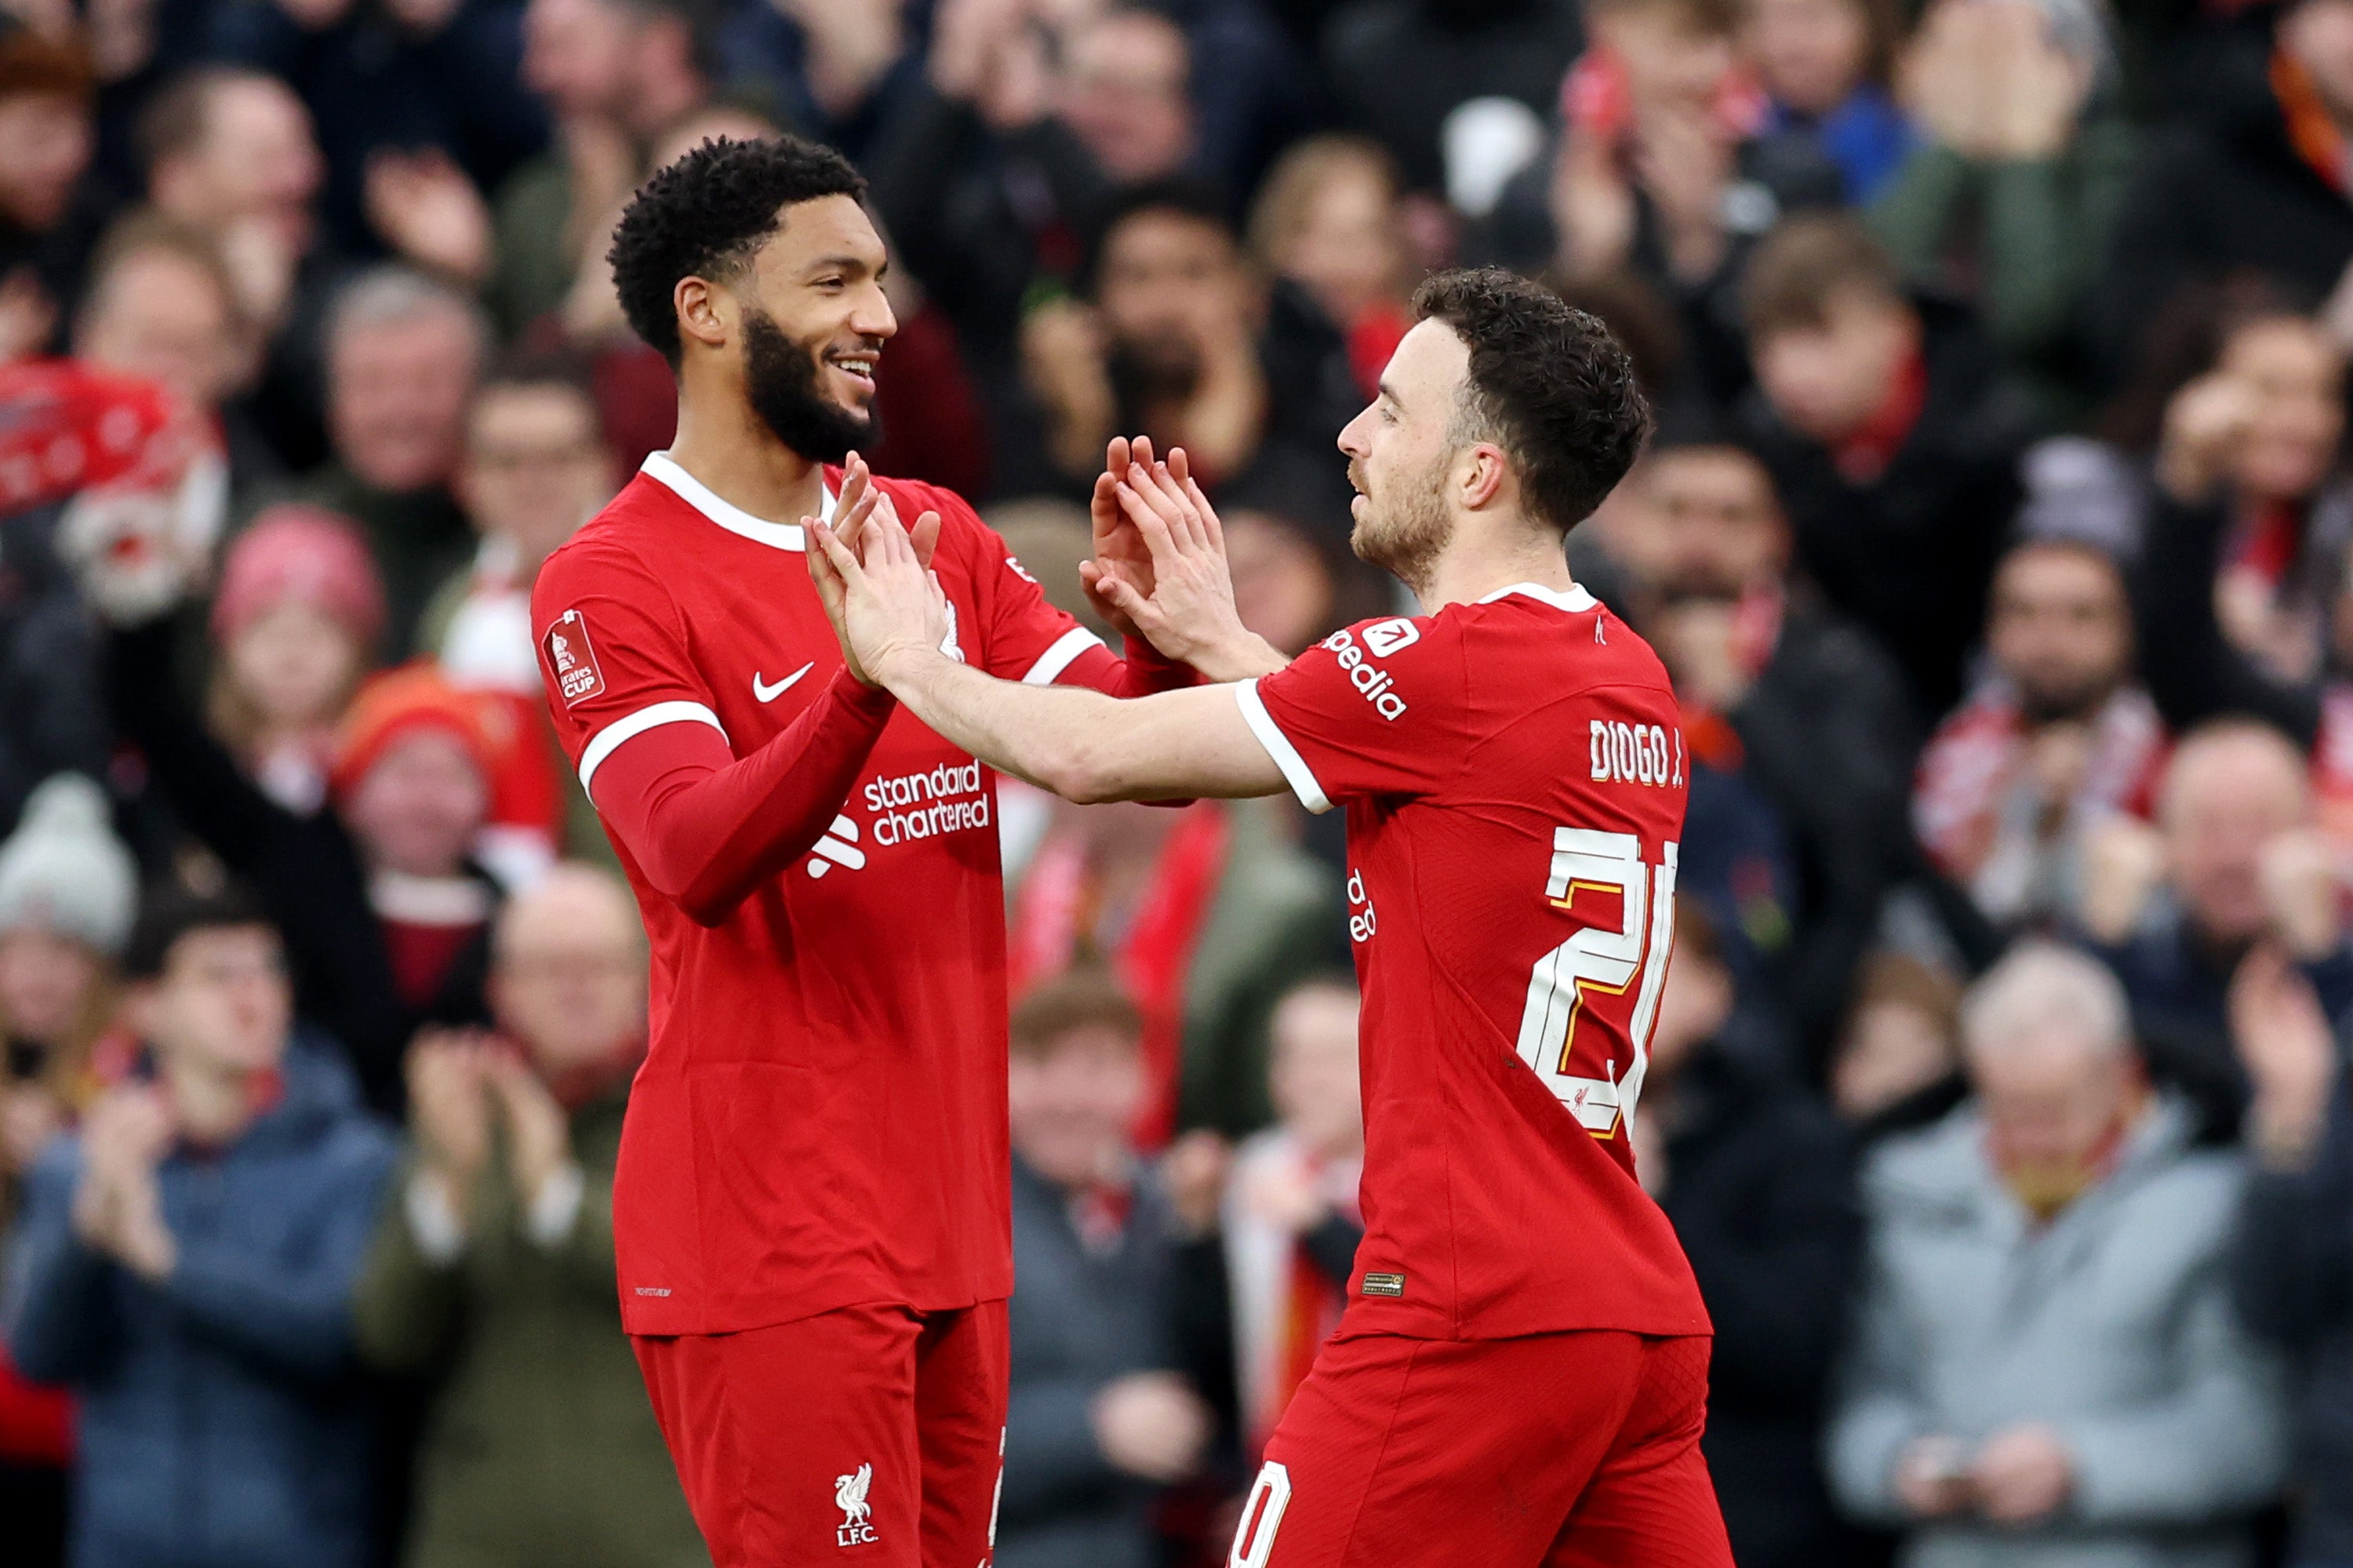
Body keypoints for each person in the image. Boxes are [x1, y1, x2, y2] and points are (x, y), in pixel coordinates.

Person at [809, 266, 1729, 1565]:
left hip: (1473, 1303)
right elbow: (1413, 758)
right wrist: (1226, 639)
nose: (1352, 436)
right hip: (1627, 1310)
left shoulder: (1447, 669)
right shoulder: (1621, 673)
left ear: (1476, 475)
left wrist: (906, 653)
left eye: (1391, 412)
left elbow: (1088, 754)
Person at [527, 133, 1209, 1567]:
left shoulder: (931, 531)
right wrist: (869, 679)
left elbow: (1106, 746)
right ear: (708, 312)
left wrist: (1164, 639)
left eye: (882, 280)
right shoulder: (612, 575)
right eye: (833, 278)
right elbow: (692, 846)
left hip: (954, 1215)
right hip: (771, 1235)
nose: (881, 319)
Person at [1827, 942, 2289, 1566]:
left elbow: (2253, 1435)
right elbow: (1860, 1405)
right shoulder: (1908, 1193)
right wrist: (1897, 1465)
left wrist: (2082, 1466)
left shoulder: (2210, 1202)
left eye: (2055, 1109)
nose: (2031, 1138)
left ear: (2123, 1074)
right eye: (2006, 1107)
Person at [2, 882, 398, 1568]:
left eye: (269, 970)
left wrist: (166, 1263)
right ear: (145, 1005)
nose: (253, 994)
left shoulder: (356, 1156)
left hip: (298, 1543)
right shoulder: (86, 1159)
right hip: (123, 1543)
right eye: (218, 974)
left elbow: (341, 1337)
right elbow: (40, 1355)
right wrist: (90, 1238)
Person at [353, 863, 701, 1568]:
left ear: (645, 976)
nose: (576, 985)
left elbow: (692, 1289)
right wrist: (447, 1191)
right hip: (479, 1537)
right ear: (500, 989)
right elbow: (385, 1336)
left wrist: (555, 1194)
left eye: (598, 963)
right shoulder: (463, 1116)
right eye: (549, 966)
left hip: (661, 1535)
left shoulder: (691, 1113)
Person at [1734, 213, 2038, 721]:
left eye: (1820, 336)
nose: (1791, 371)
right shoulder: (1760, 446)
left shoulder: (1992, 444)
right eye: (1772, 341)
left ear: (1896, 331)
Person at [1631, 907, 1861, 1568]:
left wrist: (1653, 1216)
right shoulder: (1532, 1125)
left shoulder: (1789, 1138)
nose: (1620, 996)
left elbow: (1793, 1342)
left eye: (1654, 971)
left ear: (1715, 993)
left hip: (1737, 1516)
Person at [997, 968, 1214, 1568]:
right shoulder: (962, 1219)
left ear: (1142, 1082)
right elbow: (915, 1429)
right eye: (1041, 1064)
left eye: (1095, 1067)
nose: (1068, 1097)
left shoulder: (1173, 1206)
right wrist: (1090, 1430)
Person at [2082, 718, 2353, 1142]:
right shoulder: (2140, 963)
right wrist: (2104, 944)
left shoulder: (2340, 969)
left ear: (2309, 836)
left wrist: (2324, 960)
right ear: (2165, 842)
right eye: (2208, 827)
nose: (2235, 855)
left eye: (2260, 824)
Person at [1913, 538, 2166, 933]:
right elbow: (1933, 899)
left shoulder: (2166, 762)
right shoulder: (1957, 747)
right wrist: (2022, 802)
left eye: (2080, 616)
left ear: (2126, 630)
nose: (2049, 641)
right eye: (2024, 614)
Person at [301, 265, 489, 655]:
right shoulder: (290, 536)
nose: (400, 410)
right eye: (373, 384)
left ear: (477, 393)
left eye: (428, 382)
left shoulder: (516, 542)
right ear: (333, 401)